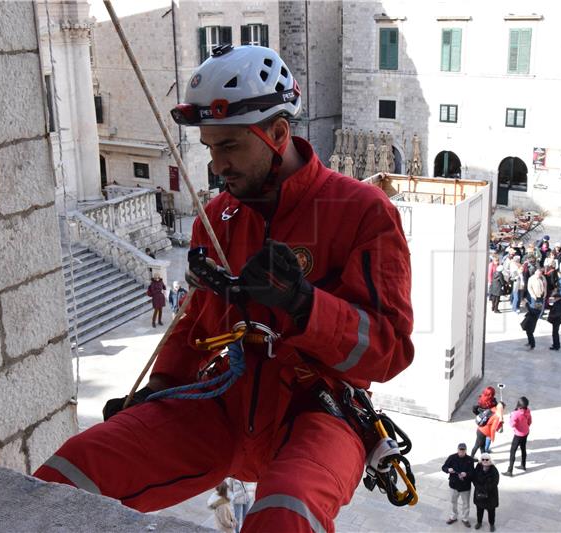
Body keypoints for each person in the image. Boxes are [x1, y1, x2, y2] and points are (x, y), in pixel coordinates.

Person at [34, 45, 414, 531]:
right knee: (72, 472)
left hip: (317, 411)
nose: (216, 165)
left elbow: (389, 349)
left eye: (229, 146)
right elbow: (194, 318)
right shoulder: (219, 217)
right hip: (223, 400)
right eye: (211, 147)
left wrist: (305, 306)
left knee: (286, 514)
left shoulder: (362, 211)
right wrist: (162, 387)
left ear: (278, 133)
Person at [442, 443, 474, 527]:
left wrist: (466, 474)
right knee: (453, 502)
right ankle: (453, 517)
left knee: (466, 503)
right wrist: (448, 470)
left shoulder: (470, 460)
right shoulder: (452, 457)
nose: (461, 451)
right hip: (454, 485)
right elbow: (444, 467)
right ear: (457, 450)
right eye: (460, 449)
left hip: (465, 486)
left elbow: (472, 473)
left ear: (466, 451)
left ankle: (465, 518)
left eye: (463, 450)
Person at [503, 397, 532, 477]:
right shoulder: (528, 410)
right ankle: (523, 465)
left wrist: (511, 417)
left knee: (513, 451)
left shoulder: (515, 414)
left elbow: (512, 425)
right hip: (526, 432)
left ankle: (510, 470)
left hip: (518, 435)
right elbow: (530, 421)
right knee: (523, 448)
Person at [472, 453, 500, 532]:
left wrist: (485, 489)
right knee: (479, 510)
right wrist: (479, 487)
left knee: (491, 511)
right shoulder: (478, 467)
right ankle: (479, 522)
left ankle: (492, 524)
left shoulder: (494, 470)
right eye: (483, 459)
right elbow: (474, 478)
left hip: (491, 496)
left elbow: (495, 482)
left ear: (490, 460)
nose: (485, 461)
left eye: (487, 459)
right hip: (479, 494)